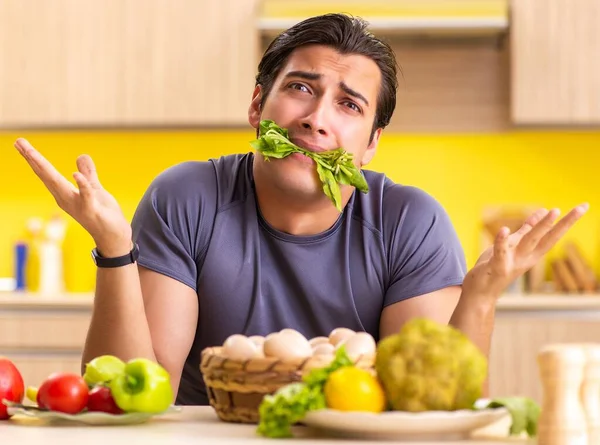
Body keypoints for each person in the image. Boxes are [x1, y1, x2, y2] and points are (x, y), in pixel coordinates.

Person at [14, 13, 588, 406]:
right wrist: (115, 251)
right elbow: (134, 391)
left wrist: (481, 296)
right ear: (258, 106)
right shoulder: (187, 196)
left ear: (370, 143)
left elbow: (435, 403)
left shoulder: (410, 222)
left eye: (348, 104)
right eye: (302, 88)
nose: (317, 119)